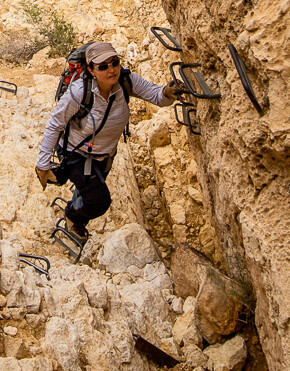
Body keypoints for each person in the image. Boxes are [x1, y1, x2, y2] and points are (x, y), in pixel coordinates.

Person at [35, 41, 184, 241]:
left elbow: (157, 96)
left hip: (105, 154)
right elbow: (55, 124)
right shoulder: (79, 92)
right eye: (103, 66)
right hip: (76, 152)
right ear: (91, 70)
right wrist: (42, 164)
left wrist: (167, 92)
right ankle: (72, 215)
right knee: (99, 201)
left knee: (90, 187)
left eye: (115, 63)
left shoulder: (125, 81)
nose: (111, 70)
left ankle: (65, 180)